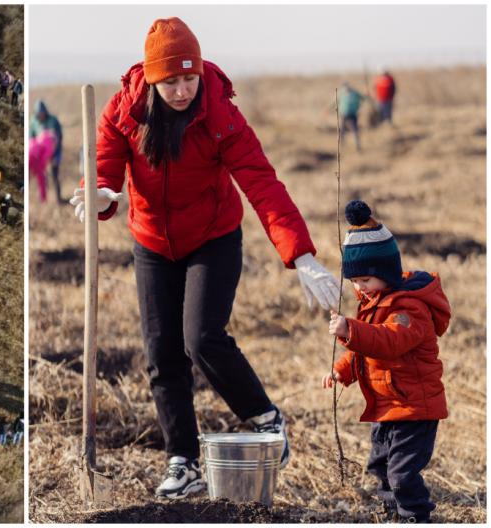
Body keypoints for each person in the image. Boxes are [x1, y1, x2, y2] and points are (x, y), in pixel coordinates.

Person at [69, 17, 340, 500]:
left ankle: (264, 418)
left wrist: (301, 255)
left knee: (202, 338)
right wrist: (102, 195)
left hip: (212, 237)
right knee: (162, 352)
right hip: (152, 242)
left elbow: (262, 183)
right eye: (171, 81)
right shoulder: (122, 113)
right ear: (153, 78)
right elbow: (105, 175)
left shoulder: (220, 114)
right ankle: (183, 462)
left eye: (188, 79)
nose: (181, 90)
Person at [324, 200, 449, 523]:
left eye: (365, 280)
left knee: (402, 473)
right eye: (354, 282)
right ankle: (392, 511)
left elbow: (388, 342)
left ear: (385, 274)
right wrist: (341, 371)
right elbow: (363, 351)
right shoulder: (374, 302)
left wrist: (350, 328)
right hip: (388, 406)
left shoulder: (409, 309)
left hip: (413, 408)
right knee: (380, 465)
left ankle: (415, 516)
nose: (359, 288)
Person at [30, 100, 65, 203]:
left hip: (54, 151)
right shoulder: (33, 122)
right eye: (39, 113)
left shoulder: (53, 120)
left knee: (55, 175)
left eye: (42, 113)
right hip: (39, 154)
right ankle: (42, 199)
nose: (41, 115)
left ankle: (59, 199)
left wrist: (55, 155)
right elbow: (30, 137)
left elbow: (59, 137)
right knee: (40, 176)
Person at [339, 81, 365, 151]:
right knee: (342, 130)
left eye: (347, 86)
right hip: (343, 114)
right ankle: (342, 145)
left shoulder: (355, 93)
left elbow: (363, 98)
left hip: (352, 115)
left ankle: (357, 145)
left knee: (355, 130)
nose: (346, 88)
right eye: (344, 87)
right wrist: (327, 109)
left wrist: (367, 95)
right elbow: (335, 102)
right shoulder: (341, 93)